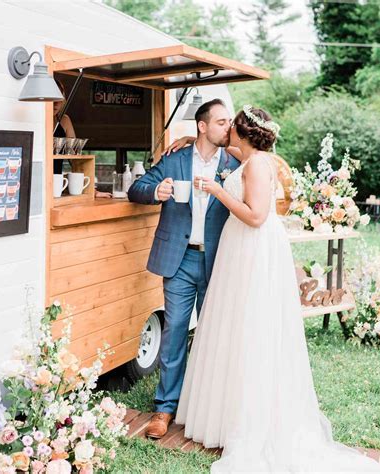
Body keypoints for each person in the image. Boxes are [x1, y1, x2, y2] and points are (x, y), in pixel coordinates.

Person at [174, 105, 380, 473]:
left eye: (231, 125)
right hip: (238, 247)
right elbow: (223, 149)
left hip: (252, 247)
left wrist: (216, 191)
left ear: (243, 133)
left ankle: (250, 421)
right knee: (233, 327)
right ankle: (224, 414)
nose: (225, 130)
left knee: (251, 329)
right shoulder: (247, 155)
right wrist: (186, 139)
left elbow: (257, 217)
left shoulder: (259, 164)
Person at [127, 99, 240, 438]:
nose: (228, 127)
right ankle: (165, 409)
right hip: (179, 259)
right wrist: (155, 191)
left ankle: (209, 408)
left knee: (213, 335)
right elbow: (137, 189)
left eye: (229, 122)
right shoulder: (174, 160)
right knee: (175, 330)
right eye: (221, 122)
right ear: (202, 126)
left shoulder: (235, 163)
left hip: (219, 260)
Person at [53, 79, 112, 198]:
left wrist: (91, 190)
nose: (56, 103)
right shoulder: (36, 121)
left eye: (59, 98)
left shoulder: (64, 121)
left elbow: (76, 159)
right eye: (53, 97)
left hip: (57, 184)